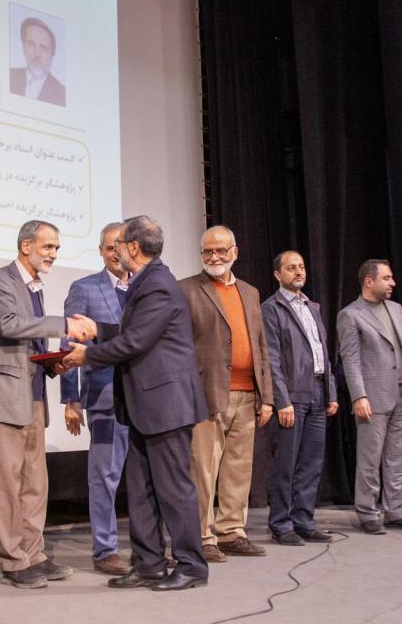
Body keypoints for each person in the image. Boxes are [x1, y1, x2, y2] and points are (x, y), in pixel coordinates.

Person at [61, 215, 209, 591]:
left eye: (120, 244)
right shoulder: (147, 281)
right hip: (146, 405)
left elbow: (136, 342)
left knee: (173, 488)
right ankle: (148, 564)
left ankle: (192, 566)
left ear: (133, 247)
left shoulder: (157, 284)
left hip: (166, 405)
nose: (116, 251)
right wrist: (98, 329)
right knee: (141, 489)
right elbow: (134, 332)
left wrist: (87, 355)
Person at [0, 220, 95, 588]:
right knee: (8, 484)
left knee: (34, 483)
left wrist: (53, 362)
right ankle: (14, 560)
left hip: (33, 396)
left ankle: (34, 554)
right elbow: (10, 325)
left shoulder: (36, 287)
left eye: (56, 248)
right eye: (48, 247)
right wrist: (65, 324)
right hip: (4, 397)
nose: (54, 254)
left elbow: (31, 341)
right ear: (26, 246)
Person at [178, 226, 274, 561]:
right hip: (206, 395)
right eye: (208, 251)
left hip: (247, 394)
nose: (214, 256)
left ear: (235, 251)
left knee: (238, 468)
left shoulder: (250, 291)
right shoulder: (186, 290)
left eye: (221, 250)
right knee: (203, 469)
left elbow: (261, 346)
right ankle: (203, 536)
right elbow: (178, 347)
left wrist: (267, 396)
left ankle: (232, 531)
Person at [60, 222, 131, 575]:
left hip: (144, 397)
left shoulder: (145, 288)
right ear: (101, 252)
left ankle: (148, 547)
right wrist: (70, 399)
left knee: (146, 476)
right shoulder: (84, 288)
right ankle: (105, 549)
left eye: (120, 245)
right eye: (108, 247)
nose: (115, 252)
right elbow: (68, 344)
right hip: (105, 395)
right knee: (104, 475)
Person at [336, 259, 402, 536]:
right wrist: (358, 396)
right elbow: (350, 360)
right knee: (370, 459)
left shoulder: (396, 309)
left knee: (397, 457)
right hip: (372, 397)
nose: (392, 283)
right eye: (386, 278)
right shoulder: (351, 315)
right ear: (369, 281)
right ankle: (367, 512)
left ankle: (395, 510)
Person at [260, 251, 339, 545]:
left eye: (301, 267)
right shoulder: (271, 308)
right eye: (291, 267)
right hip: (292, 395)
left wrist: (330, 391)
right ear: (277, 274)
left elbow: (323, 352)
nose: (298, 272)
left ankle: (304, 521)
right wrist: (282, 401)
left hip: (318, 391)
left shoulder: (311, 307)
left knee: (311, 463)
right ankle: (281, 524)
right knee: (286, 463)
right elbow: (272, 359)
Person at [9, 16, 66, 106]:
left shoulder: (62, 93)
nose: (37, 53)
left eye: (43, 48)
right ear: (23, 47)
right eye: (31, 44)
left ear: (52, 55)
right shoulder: (9, 76)